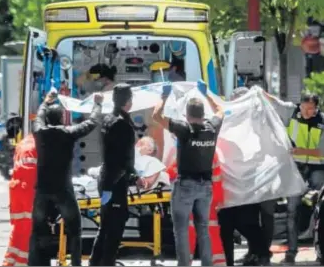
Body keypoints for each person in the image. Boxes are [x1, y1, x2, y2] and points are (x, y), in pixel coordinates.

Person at [152, 80, 225, 266]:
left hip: (185, 186)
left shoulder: (184, 129)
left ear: (186, 115)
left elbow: (156, 116)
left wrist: (164, 96)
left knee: (182, 230)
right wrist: (207, 93)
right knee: (203, 228)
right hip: (205, 187)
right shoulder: (211, 128)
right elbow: (220, 111)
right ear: (202, 114)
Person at [28, 89, 103, 266]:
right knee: (75, 229)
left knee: (38, 230)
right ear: (62, 118)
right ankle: (76, 263)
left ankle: (36, 263)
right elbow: (92, 123)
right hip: (63, 189)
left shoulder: (39, 132)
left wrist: (45, 102)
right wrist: (97, 104)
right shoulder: (68, 133)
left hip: (43, 190)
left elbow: (38, 116)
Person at [266, 92, 324, 265]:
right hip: (296, 168)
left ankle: (322, 249)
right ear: (299, 105)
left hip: (317, 169)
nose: (307, 112)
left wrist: (300, 151)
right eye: (305, 108)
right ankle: (291, 252)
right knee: (292, 210)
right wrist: (259, 92)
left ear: (317, 107)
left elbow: (322, 151)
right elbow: (275, 102)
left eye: (311, 109)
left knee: (323, 208)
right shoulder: (291, 112)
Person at [89, 83, 147, 266]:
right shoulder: (122, 124)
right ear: (128, 102)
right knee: (115, 226)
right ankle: (107, 262)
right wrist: (135, 177)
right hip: (115, 181)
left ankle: (95, 262)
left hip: (106, 179)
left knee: (106, 225)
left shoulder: (108, 119)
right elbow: (124, 158)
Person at [214, 87, 271, 266]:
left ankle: (261, 253)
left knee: (247, 223)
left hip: (246, 182)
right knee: (225, 226)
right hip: (226, 181)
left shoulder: (254, 123)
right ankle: (228, 261)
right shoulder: (226, 119)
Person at [2, 134, 37, 266]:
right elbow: (32, 173)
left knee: (19, 231)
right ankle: (20, 263)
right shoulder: (37, 146)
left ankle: (9, 263)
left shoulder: (24, 143)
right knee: (27, 231)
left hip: (18, 191)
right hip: (28, 190)